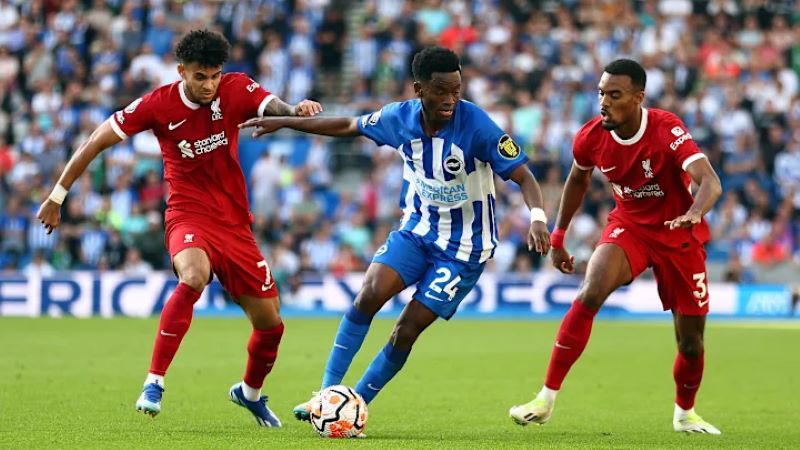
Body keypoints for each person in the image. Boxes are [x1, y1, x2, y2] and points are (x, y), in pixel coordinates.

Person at [241, 46, 551, 427]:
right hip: (417, 230)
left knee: (406, 329)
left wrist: (537, 217)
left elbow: (524, 175)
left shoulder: (477, 125)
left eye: (457, 89)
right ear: (419, 89)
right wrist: (288, 122)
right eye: (441, 90)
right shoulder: (397, 118)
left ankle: (356, 404)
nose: (451, 98)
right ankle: (326, 395)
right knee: (368, 295)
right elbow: (348, 126)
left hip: (464, 250)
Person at [36, 29, 323, 427]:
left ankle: (249, 393)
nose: (209, 85)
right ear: (181, 71)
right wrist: (57, 195)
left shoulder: (236, 87)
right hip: (188, 214)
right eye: (200, 76)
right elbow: (96, 141)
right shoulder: (158, 104)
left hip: (235, 223)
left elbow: (270, 102)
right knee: (193, 276)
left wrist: (295, 109)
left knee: (271, 325)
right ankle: (154, 382)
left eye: (215, 76)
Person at [508, 59, 723, 434]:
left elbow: (710, 181)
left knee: (691, 343)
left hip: (679, 234)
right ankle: (545, 399)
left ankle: (685, 413)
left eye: (614, 95)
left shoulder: (667, 128)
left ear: (638, 98)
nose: (603, 102)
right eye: (601, 93)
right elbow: (577, 180)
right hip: (631, 228)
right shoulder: (590, 137)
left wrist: (694, 212)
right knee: (590, 291)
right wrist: (558, 237)